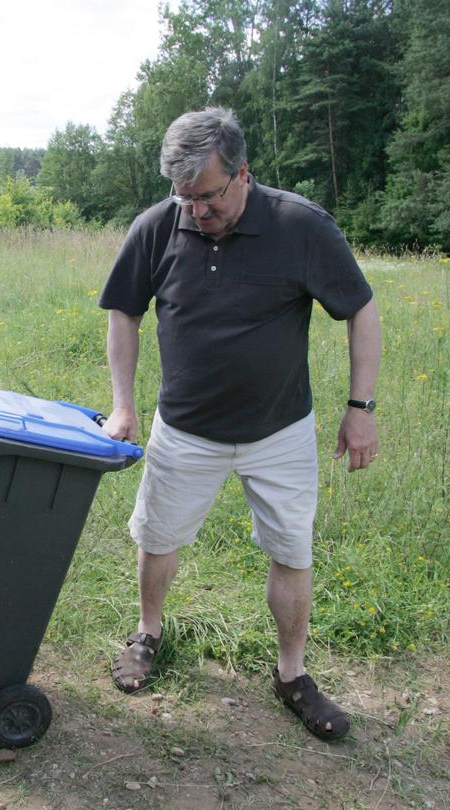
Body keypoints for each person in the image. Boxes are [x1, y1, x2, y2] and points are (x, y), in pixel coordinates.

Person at [98, 107, 381, 741]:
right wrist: (124, 403)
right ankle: (148, 632)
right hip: (185, 429)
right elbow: (123, 311)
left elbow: (361, 310)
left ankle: (291, 674)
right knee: (158, 537)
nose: (196, 211)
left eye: (207, 196)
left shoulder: (300, 226)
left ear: (243, 174)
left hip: (279, 433)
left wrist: (359, 408)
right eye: (184, 197)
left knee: (291, 550)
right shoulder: (155, 228)